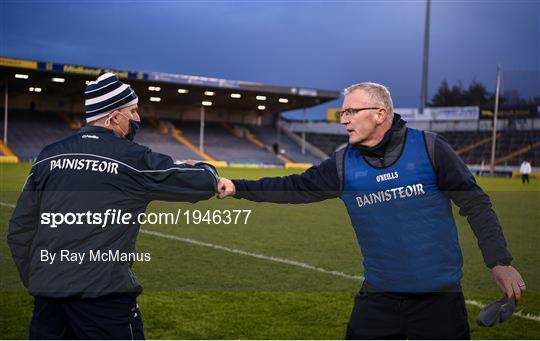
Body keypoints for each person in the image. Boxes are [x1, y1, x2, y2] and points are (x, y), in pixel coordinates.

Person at [217, 82, 526, 339]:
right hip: (379, 300)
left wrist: (498, 261)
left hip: (440, 302)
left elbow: (475, 202)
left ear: (380, 114)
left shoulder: (430, 149)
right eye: (343, 112)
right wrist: (237, 187)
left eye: (352, 111)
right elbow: (294, 187)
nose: (343, 119)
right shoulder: (341, 165)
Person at [8, 72, 218, 339]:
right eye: (133, 111)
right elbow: (202, 182)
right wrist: (203, 167)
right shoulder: (132, 159)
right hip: (104, 301)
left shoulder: (47, 157)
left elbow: (19, 231)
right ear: (114, 116)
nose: (138, 118)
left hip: (48, 301)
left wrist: (40, 280)